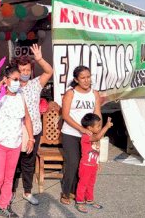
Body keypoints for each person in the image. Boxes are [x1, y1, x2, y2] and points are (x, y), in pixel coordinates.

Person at [0, 66, 34, 218]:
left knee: (9, 177)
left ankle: (4, 205)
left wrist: (30, 137)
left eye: (19, 79)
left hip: (15, 143)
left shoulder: (20, 95)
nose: (18, 82)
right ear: (6, 79)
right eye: (15, 79)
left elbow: (27, 118)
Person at [11, 44, 53, 205]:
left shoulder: (36, 84)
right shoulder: (11, 86)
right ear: (16, 71)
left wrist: (40, 59)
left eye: (28, 70)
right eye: (22, 71)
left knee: (28, 163)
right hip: (15, 131)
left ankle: (27, 192)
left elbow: (49, 71)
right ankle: (10, 191)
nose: (25, 73)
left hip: (34, 130)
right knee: (13, 164)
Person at [60, 65, 101, 205]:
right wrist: (81, 129)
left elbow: (97, 115)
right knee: (72, 162)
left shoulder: (94, 94)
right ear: (76, 79)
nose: (86, 80)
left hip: (88, 136)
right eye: (82, 78)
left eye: (88, 77)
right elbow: (65, 115)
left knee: (84, 165)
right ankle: (65, 192)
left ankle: (77, 191)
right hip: (70, 133)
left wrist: (98, 133)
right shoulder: (70, 93)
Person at [75, 114, 113, 213]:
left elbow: (96, 150)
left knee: (91, 184)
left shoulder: (93, 136)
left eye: (100, 126)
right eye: (98, 126)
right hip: (86, 166)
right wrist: (106, 127)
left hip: (93, 165)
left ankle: (89, 200)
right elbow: (98, 137)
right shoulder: (86, 136)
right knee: (83, 184)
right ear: (89, 127)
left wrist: (98, 162)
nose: (99, 128)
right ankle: (79, 201)